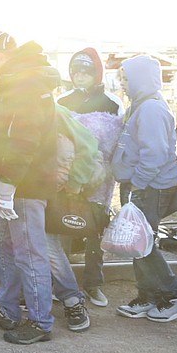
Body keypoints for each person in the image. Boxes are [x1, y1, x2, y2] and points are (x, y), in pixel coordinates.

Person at [0, 31, 65, 344]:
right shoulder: (18, 79)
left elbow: (24, 140)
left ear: (6, 52)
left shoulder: (25, 83)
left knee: (29, 252)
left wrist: (7, 185)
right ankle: (8, 308)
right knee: (5, 243)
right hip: (18, 181)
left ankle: (40, 322)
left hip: (25, 184)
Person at [113, 54, 177, 322]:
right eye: (122, 79)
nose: (123, 84)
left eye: (127, 79)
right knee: (137, 243)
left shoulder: (151, 109)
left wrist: (136, 185)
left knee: (144, 244)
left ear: (140, 79)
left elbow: (155, 154)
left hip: (149, 187)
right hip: (141, 186)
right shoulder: (141, 105)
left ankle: (176, 295)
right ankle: (149, 295)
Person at [57, 47, 123, 307]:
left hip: (100, 179)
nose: (80, 75)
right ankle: (62, 284)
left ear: (97, 73)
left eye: (86, 70)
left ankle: (93, 283)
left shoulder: (112, 103)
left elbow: (117, 142)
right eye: (76, 70)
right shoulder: (62, 101)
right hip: (67, 175)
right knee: (62, 224)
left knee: (95, 229)